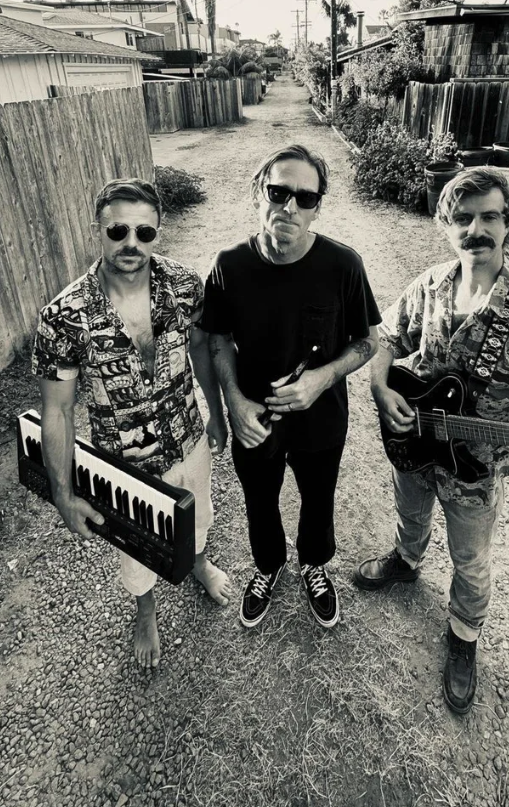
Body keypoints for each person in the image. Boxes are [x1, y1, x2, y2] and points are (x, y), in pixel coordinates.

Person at [353, 167, 509, 713]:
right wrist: (381, 387)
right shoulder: (431, 285)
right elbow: (387, 338)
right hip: (413, 445)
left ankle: (464, 635)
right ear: (446, 226)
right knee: (410, 514)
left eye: (490, 216)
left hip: (476, 472)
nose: (477, 230)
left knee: (471, 561)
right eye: (464, 219)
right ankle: (406, 560)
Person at [32, 178, 233, 669]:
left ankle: (199, 564)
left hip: (188, 437)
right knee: (136, 546)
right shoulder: (64, 317)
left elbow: (201, 349)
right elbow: (57, 411)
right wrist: (63, 494)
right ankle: (145, 611)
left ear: (157, 232)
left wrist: (217, 413)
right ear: (97, 230)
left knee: (198, 515)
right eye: (118, 230)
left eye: (144, 232)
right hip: (124, 465)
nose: (131, 243)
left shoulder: (184, 286)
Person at [201, 144, 381, 630]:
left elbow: (369, 342)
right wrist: (234, 402)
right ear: (258, 194)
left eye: (306, 197)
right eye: (278, 192)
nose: (290, 207)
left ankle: (314, 564)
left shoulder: (343, 265)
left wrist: (322, 378)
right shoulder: (229, 265)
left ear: (318, 206)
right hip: (254, 419)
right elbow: (217, 338)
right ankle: (268, 565)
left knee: (318, 499)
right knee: (259, 500)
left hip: (322, 419)